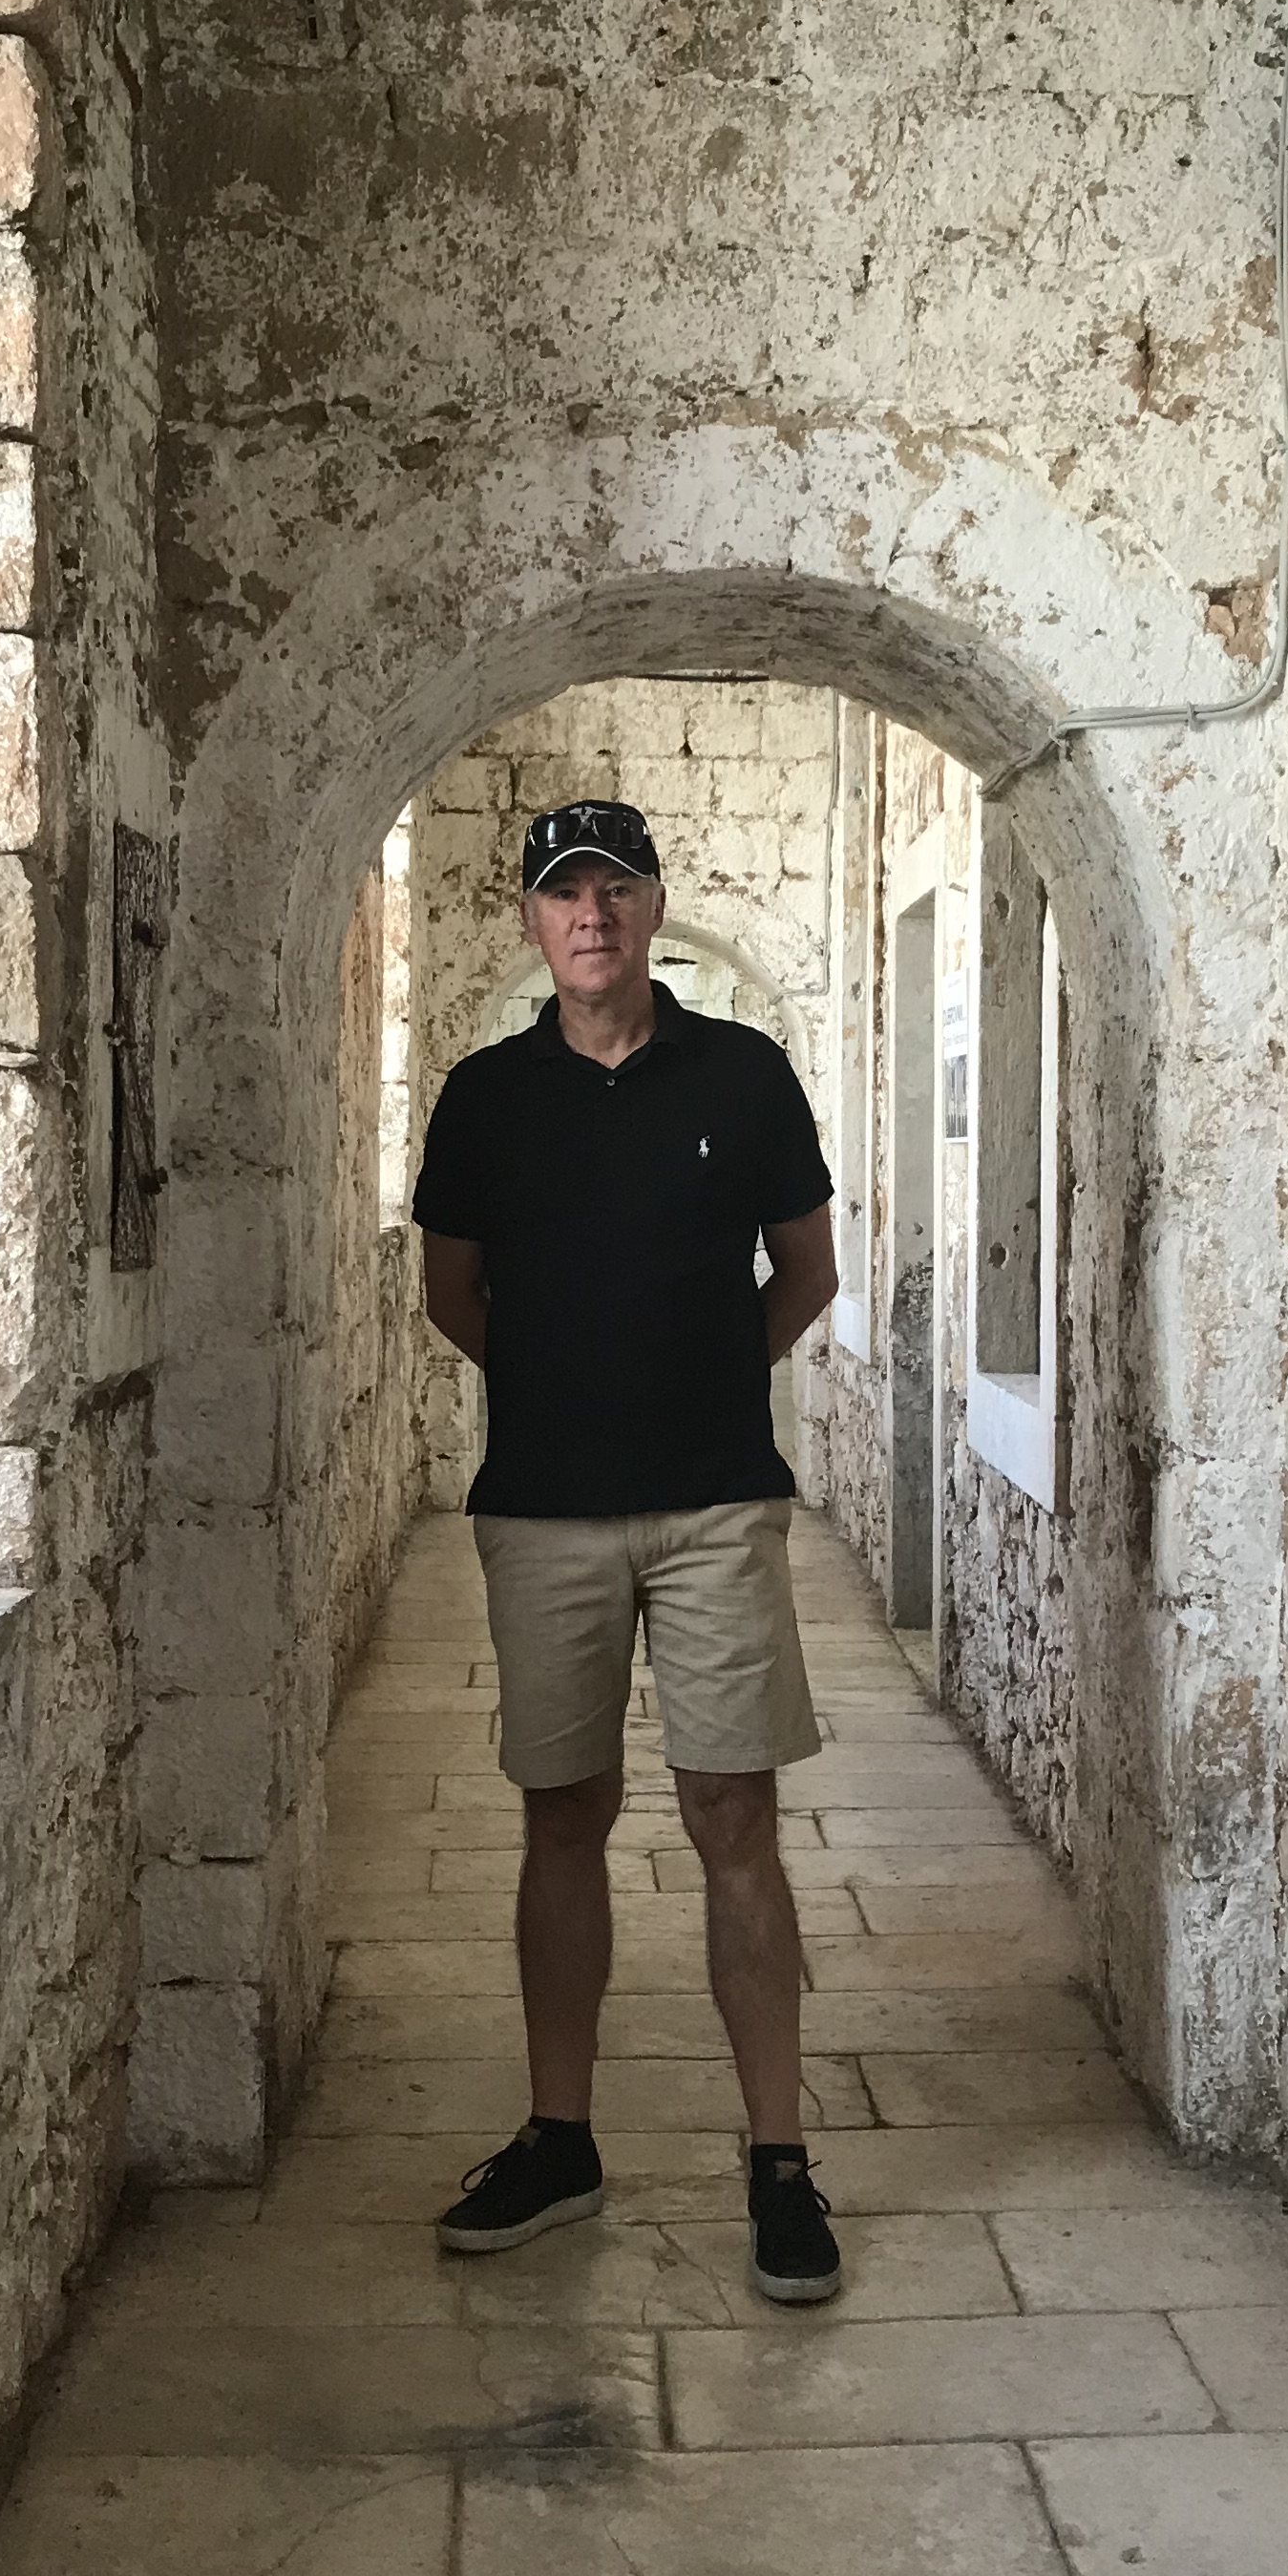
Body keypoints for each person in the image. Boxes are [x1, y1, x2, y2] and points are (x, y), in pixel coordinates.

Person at [412, 796, 845, 2303]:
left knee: (734, 1813)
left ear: (654, 907)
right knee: (562, 1814)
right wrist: (564, 1393)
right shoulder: (484, 1097)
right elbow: (452, 1293)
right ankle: (562, 2137)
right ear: (533, 922)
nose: (588, 913)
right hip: (545, 1511)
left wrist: (704, 1383)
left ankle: (779, 2159)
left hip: (715, 1502)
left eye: (613, 887)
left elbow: (806, 1271)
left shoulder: (744, 1074)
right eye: (561, 892)